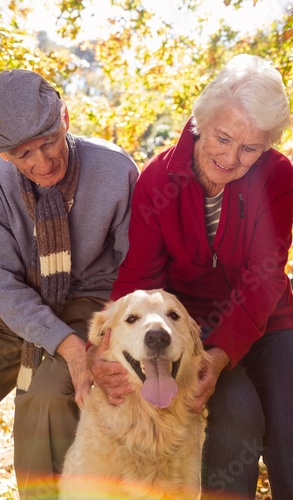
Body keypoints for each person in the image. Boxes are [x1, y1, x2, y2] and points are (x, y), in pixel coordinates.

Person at [88, 54, 293, 500]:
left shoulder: (278, 176)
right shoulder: (157, 179)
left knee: (290, 417)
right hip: (192, 330)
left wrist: (223, 356)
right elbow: (139, 277)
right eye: (223, 138)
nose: (231, 157)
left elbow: (264, 277)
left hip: (271, 322)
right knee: (236, 413)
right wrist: (100, 353)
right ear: (202, 121)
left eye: (250, 148)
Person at [0, 69, 139, 500]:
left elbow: (137, 271)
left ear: (66, 119)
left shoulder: (116, 169)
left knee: (47, 396)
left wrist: (89, 346)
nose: (42, 163)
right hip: (19, 304)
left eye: (48, 142)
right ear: (3, 156)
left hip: (93, 302)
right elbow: (1, 281)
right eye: (23, 155)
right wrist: (65, 344)